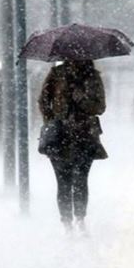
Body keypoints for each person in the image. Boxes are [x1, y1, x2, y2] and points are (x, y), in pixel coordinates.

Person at [39, 59, 107, 235]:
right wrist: (52, 121)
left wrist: (82, 99)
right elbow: (43, 101)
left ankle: (80, 218)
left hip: (84, 136)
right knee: (63, 182)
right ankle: (67, 223)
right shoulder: (56, 74)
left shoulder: (92, 76)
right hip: (59, 137)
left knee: (81, 180)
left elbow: (100, 107)